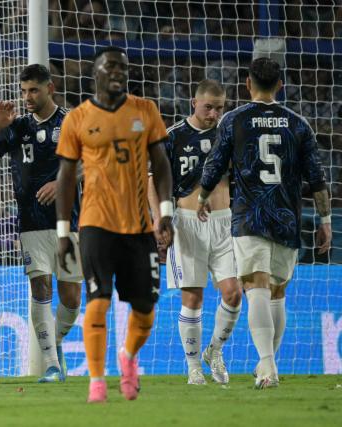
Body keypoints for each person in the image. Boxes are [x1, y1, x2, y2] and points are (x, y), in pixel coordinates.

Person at [197, 57, 331, 389]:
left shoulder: (233, 120)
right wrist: (326, 220)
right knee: (277, 291)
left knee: (256, 285)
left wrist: (201, 197)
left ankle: (267, 365)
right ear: (280, 86)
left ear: (247, 84)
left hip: (249, 214)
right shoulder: (298, 124)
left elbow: (215, 165)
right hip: (287, 216)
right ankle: (269, 366)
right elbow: (317, 179)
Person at [55, 47, 174, 403]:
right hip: (95, 226)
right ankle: (96, 381)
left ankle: (128, 356)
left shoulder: (145, 110)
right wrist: (64, 232)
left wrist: (165, 211)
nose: (119, 71)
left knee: (146, 311)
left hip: (139, 228)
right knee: (98, 302)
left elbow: (162, 163)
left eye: (123, 66)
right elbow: (64, 179)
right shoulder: (77, 118)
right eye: (111, 66)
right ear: (96, 73)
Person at [0, 64, 82, 383]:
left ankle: (56, 343)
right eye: (23, 91)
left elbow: (91, 162)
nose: (27, 97)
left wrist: (62, 181)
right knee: (40, 287)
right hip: (31, 223)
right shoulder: (18, 127)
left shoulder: (71, 121)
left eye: (34, 90)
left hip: (68, 222)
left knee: (71, 298)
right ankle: (50, 365)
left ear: (51, 87)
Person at [148, 80, 242, 385]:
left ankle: (214, 351)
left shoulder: (228, 136)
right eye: (208, 107)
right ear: (194, 103)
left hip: (225, 223)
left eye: (219, 108)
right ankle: (193, 369)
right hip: (186, 223)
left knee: (233, 292)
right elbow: (153, 181)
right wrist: (159, 219)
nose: (214, 114)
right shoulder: (173, 136)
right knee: (193, 297)